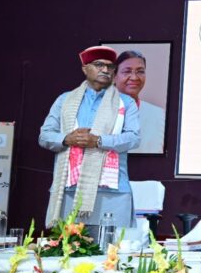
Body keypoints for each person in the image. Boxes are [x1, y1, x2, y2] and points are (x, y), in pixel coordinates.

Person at [39, 46, 140, 228]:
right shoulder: (65, 100)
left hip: (112, 190)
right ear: (85, 69)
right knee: (68, 243)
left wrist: (99, 141)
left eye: (110, 66)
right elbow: (45, 136)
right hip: (69, 189)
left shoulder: (126, 102)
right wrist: (67, 139)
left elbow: (133, 138)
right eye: (99, 65)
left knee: (114, 244)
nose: (105, 70)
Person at [115, 50, 166, 154]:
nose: (134, 77)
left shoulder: (159, 115)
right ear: (114, 76)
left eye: (140, 71)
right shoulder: (99, 111)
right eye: (127, 71)